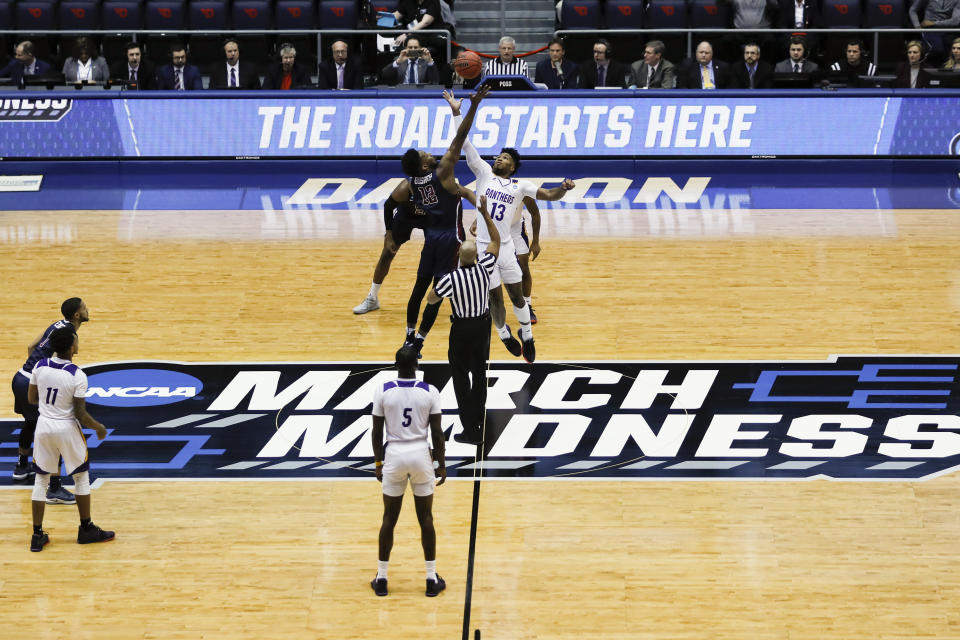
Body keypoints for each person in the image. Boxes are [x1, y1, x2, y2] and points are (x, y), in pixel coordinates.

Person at [444, 90, 576, 363]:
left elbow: (549, 196)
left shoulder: (521, 186)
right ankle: (504, 334)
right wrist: (459, 111)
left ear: (513, 167)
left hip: (505, 247)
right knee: (495, 300)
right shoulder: (483, 173)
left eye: (505, 158)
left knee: (517, 296)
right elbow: (463, 141)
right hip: (482, 249)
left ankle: (527, 336)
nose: (499, 158)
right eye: (499, 156)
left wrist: (563, 189)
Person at [388, 85, 490, 358]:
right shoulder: (443, 171)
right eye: (425, 155)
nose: (429, 154)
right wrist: (472, 107)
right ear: (424, 166)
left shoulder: (410, 184)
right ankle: (420, 341)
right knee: (438, 293)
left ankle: (409, 337)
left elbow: (393, 204)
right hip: (451, 240)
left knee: (418, 288)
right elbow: (461, 136)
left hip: (431, 239)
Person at [28, 327, 114, 552]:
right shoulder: (77, 375)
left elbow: (31, 398)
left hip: (44, 426)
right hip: (66, 428)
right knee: (81, 477)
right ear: (70, 347)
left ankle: (37, 535)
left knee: (41, 480)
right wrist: (99, 428)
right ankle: (86, 529)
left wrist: (49, 408)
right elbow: (80, 414)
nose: (78, 342)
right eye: (76, 340)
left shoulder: (40, 365)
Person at [370, 345, 446, 597]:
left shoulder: (383, 390)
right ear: (417, 365)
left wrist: (379, 463)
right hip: (420, 454)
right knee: (426, 519)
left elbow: (376, 432)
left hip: (394, 454)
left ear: (395, 365)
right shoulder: (430, 391)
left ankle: (381, 579)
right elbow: (437, 433)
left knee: (388, 519)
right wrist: (440, 464)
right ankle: (430, 578)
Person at [425, 195, 501, 445]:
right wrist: (485, 214)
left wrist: (440, 287)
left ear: (459, 255)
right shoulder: (485, 267)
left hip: (461, 328)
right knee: (479, 373)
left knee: (460, 377)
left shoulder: (450, 279)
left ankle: (470, 430)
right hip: (482, 326)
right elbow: (496, 241)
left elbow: (431, 299)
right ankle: (478, 418)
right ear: (476, 257)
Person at [12, 298, 91, 505]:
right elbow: (55, 363)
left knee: (31, 422)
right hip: (30, 380)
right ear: (76, 315)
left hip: (20, 376)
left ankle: (21, 467)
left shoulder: (57, 324)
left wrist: (34, 372)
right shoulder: (68, 336)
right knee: (52, 425)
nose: (87, 309)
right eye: (84, 307)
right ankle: (54, 488)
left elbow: (31, 346)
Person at [354, 194, 425, 314]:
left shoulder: (440, 182)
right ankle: (372, 298)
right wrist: (389, 234)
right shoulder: (406, 186)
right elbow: (388, 205)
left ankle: (455, 298)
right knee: (387, 253)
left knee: (438, 255)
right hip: (406, 214)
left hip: (431, 216)